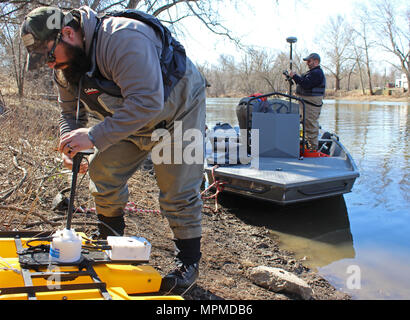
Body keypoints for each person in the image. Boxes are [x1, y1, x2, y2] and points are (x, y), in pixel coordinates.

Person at [20, 6, 207, 292]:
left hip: (177, 114)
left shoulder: (125, 38)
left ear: (67, 34)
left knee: (177, 189)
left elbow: (147, 102)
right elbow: (69, 114)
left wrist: (95, 136)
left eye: (48, 57)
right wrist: (69, 143)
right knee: (102, 170)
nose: (49, 66)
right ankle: (110, 237)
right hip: (131, 118)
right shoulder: (65, 64)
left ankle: (188, 262)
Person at [289, 53, 326, 151]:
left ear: (316, 61)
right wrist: (295, 77)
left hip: (311, 104)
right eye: (307, 61)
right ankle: (307, 146)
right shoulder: (311, 73)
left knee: (310, 125)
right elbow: (303, 82)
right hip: (305, 103)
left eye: (309, 61)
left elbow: (306, 84)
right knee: (306, 124)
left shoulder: (317, 73)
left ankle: (313, 149)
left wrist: (295, 76)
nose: (307, 63)